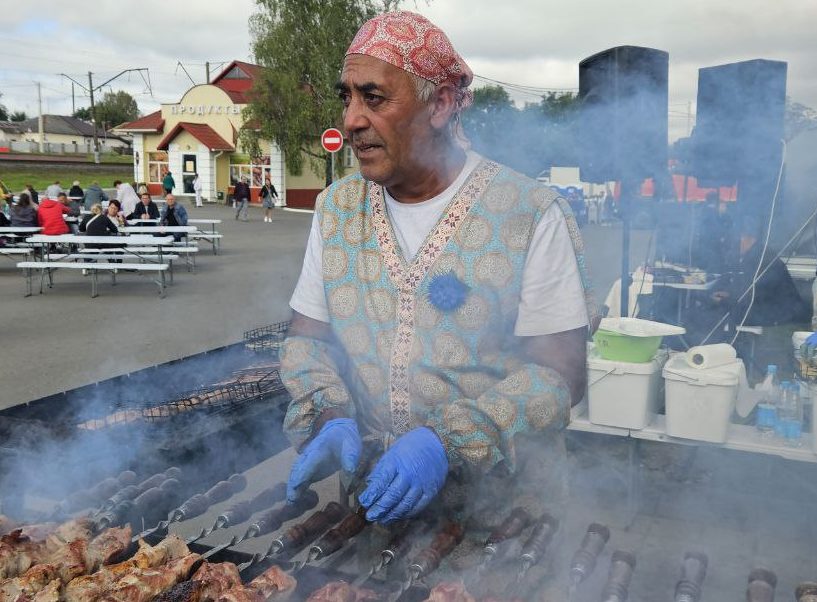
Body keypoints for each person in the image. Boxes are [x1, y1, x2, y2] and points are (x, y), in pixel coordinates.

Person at [281, 9, 594, 545]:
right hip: (372, 509)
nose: (351, 120)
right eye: (347, 97)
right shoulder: (336, 210)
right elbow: (308, 339)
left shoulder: (529, 213)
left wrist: (446, 442)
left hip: (500, 523)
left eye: (374, 98)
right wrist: (330, 414)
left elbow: (562, 375)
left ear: (441, 104)